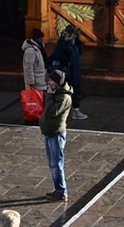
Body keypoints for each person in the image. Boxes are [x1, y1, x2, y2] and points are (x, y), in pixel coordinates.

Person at [40, 68, 73, 204]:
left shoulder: (64, 97)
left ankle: (61, 191)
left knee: (56, 164)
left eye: (51, 80)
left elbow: (52, 112)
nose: (49, 82)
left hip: (56, 133)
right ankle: (58, 189)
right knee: (52, 163)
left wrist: (48, 96)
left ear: (57, 82)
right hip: (49, 131)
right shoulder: (56, 93)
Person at [50, 24, 87, 121]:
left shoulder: (74, 43)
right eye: (74, 34)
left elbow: (80, 51)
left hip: (75, 71)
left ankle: (76, 111)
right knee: (63, 92)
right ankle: (58, 111)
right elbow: (57, 55)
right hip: (67, 71)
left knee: (76, 91)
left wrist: (77, 39)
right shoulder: (63, 43)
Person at [22, 27, 48, 92]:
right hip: (36, 83)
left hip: (40, 81)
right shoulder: (31, 50)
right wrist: (31, 82)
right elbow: (28, 67)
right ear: (38, 39)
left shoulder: (39, 48)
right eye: (42, 38)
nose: (43, 39)